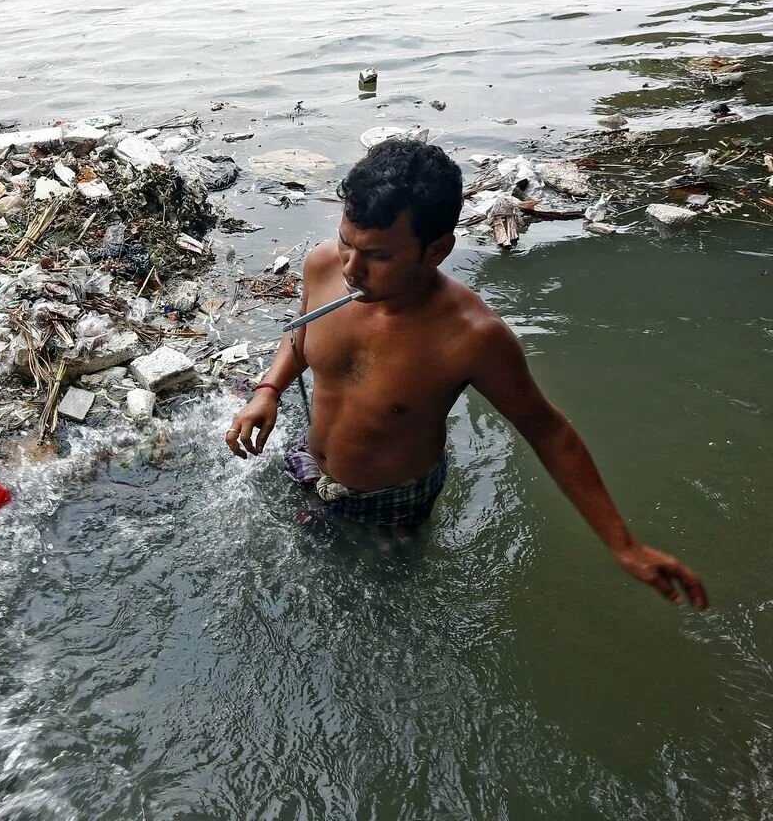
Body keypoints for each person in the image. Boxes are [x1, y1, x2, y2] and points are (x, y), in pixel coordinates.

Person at [224, 138, 708, 609]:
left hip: (390, 502)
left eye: (378, 256)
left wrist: (623, 544)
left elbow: (549, 432)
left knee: (379, 605)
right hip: (311, 460)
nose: (352, 268)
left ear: (437, 250)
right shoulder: (323, 266)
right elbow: (301, 334)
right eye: (347, 243)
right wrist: (268, 389)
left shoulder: (471, 337)